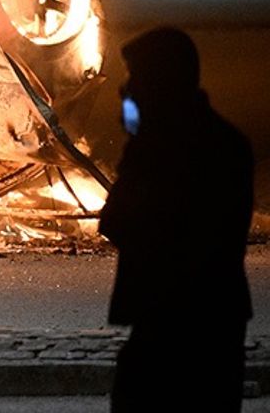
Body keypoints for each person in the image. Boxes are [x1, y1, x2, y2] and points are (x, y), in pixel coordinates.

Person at [99, 27, 253, 412]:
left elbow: (115, 222)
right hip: (218, 322)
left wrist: (136, 142)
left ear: (159, 81)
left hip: (164, 323)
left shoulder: (158, 151)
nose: (128, 89)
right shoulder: (228, 142)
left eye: (136, 78)